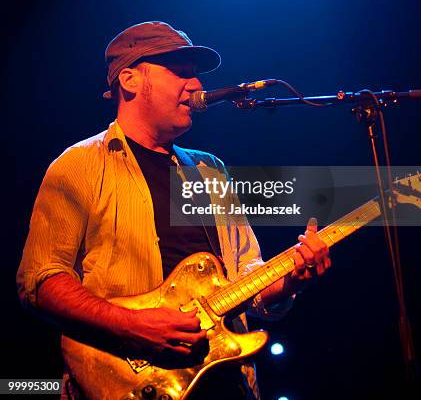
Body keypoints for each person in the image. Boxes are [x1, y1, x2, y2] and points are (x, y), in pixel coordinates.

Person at [17, 21, 331, 399]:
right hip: (131, 382)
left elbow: (248, 275)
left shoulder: (208, 169)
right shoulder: (80, 164)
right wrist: (132, 326)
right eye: (180, 73)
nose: (197, 86)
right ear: (130, 80)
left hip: (226, 381)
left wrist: (290, 280)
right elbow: (40, 279)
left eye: (195, 76)